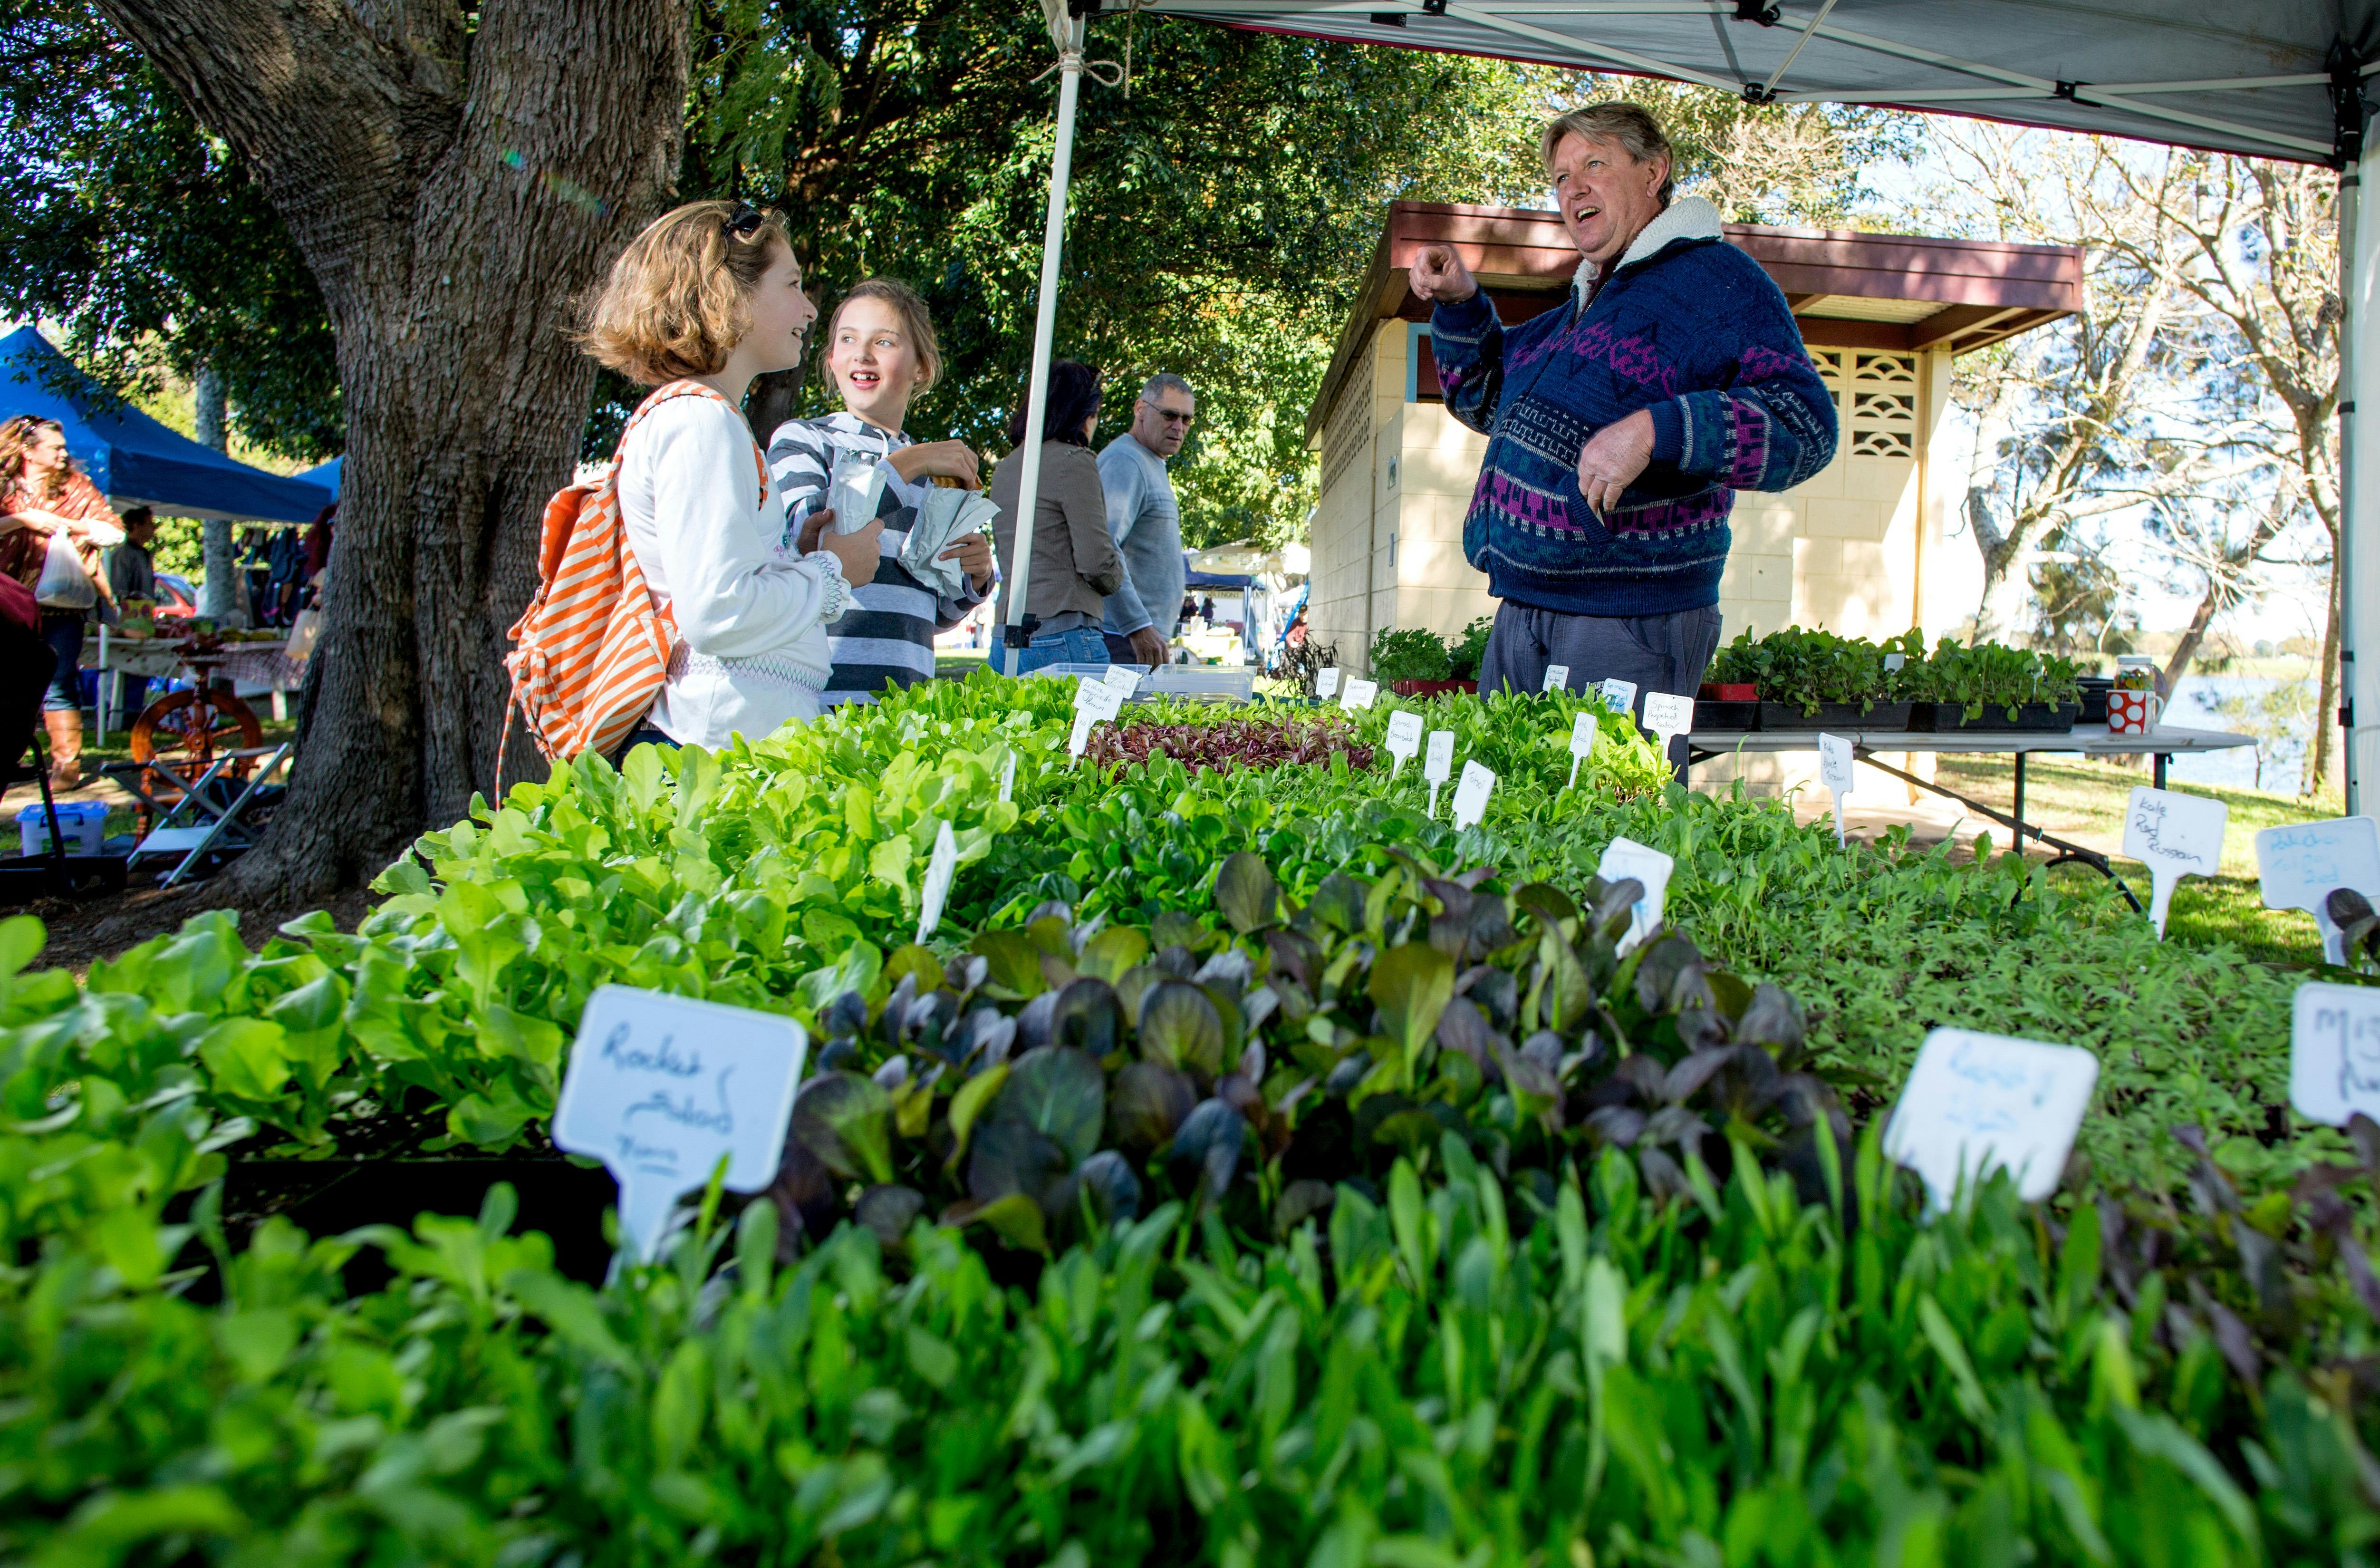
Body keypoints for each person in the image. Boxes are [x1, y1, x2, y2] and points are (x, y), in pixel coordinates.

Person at [1413, 102, 1836, 763]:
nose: (1571, 188)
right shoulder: (1584, 305)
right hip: (1522, 611)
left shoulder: (1718, 284)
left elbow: (1803, 427)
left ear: (1653, 171)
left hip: (1627, 620)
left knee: (1604, 832)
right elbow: (1482, 396)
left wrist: (1657, 428)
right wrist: (1460, 302)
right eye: (1558, 177)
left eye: (1593, 164)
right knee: (1503, 824)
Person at [576, 198, 882, 752]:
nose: (810, 310)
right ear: (728, 294)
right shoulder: (700, 422)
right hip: (707, 751)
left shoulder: (705, 420)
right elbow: (719, 610)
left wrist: (794, 556)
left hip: (717, 741)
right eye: (791, 285)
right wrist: (834, 572)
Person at [767, 277, 995, 706]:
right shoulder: (804, 440)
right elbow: (814, 542)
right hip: (812, 699)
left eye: (884, 342)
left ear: (921, 367)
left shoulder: (933, 473)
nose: (863, 353)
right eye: (848, 339)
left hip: (904, 706)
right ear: (832, 358)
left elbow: (933, 614)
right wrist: (905, 465)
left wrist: (975, 578)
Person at [0, 414, 121, 789]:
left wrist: (71, 526)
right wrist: (23, 519)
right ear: (27, 450)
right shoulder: (4, 487)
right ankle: (9, 759)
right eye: (55, 447)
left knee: (58, 680)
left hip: (59, 605)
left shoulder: (74, 486)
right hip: (6, 606)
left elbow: (113, 532)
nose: (64, 453)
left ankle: (66, 767)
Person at [987, 360, 1124, 675]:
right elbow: (1096, 562)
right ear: (1086, 414)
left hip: (1006, 636)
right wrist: (1118, 570)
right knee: (1091, 726)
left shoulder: (1006, 468)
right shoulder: (1074, 461)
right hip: (1062, 635)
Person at [1097, 371, 1195, 667]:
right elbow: (1103, 550)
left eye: (1187, 419)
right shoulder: (1126, 461)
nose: (1178, 427)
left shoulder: (1149, 461)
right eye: (1169, 415)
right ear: (1141, 409)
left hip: (1136, 639)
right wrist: (1137, 625)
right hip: (1122, 639)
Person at [106, 505, 159, 721]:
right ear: (137, 526)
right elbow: (118, 591)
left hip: (141, 620)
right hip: (127, 621)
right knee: (126, 668)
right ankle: (124, 714)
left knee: (139, 668)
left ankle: (132, 712)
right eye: (150, 524)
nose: (154, 530)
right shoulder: (122, 554)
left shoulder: (142, 554)